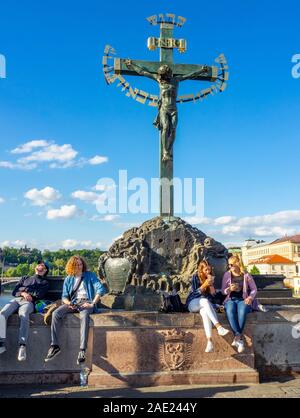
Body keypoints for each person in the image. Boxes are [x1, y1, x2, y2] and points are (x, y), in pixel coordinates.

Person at [125, 59, 210, 161]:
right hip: (164, 109)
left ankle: (168, 150)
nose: (163, 77)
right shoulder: (159, 80)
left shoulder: (176, 80)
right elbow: (143, 72)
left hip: (173, 109)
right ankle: (165, 152)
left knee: (173, 129)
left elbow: (189, 76)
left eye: (165, 75)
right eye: (162, 75)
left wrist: (201, 71)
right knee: (165, 128)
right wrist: (132, 65)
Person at [44, 255, 107, 365]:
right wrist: (69, 303)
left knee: (84, 317)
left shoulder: (90, 275)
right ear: (72, 266)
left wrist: (92, 303)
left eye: (81, 264)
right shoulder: (69, 278)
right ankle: (55, 346)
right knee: (56, 313)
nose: (79, 266)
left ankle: (82, 350)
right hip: (73, 302)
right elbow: (64, 296)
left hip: (86, 302)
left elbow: (100, 289)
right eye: (76, 264)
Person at [0, 261, 50, 361]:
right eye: (39, 265)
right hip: (17, 300)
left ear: (45, 270)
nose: (39, 266)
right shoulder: (25, 278)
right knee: (2, 314)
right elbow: (15, 292)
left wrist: (24, 292)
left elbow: (38, 295)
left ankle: (22, 345)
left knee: (23, 314)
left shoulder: (44, 283)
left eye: (42, 266)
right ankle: (1, 344)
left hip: (28, 303)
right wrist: (23, 293)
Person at [186, 260, 229, 353]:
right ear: (201, 270)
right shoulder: (195, 277)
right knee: (204, 301)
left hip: (204, 306)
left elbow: (211, 299)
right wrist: (204, 285)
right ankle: (219, 327)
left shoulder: (211, 279)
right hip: (192, 303)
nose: (208, 272)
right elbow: (193, 294)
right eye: (206, 270)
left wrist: (212, 289)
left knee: (205, 313)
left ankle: (209, 342)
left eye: (209, 270)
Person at [222, 261, 258, 353]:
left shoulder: (246, 275)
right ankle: (239, 338)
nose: (229, 266)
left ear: (237, 264)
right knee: (230, 311)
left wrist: (250, 297)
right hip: (231, 299)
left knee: (242, 312)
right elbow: (223, 291)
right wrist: (229, 289)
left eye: (232, 264)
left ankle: (237, 337)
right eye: (229, 264)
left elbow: (254, 289)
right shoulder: (227, 274)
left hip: (243, 299)